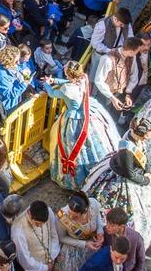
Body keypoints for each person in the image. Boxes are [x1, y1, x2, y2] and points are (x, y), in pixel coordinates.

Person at [44, 61, 121, 190]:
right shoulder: (83, 79)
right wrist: (55, 80)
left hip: (74, 119)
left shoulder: (67, 89)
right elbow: (69, 81)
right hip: (89, 112)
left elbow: (52, 94)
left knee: (70, 144)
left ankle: (74, 180)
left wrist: (47, 84)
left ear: (68, 74)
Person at [82, 122, 151, 245]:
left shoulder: (135, 137)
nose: (148, 139)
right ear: (139, 134)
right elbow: (129, 173)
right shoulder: (126, 150)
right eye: (146, 137)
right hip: (122, 178)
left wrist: (148, 170)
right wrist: (147, 180)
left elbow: (144, 156)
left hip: (135, 171)